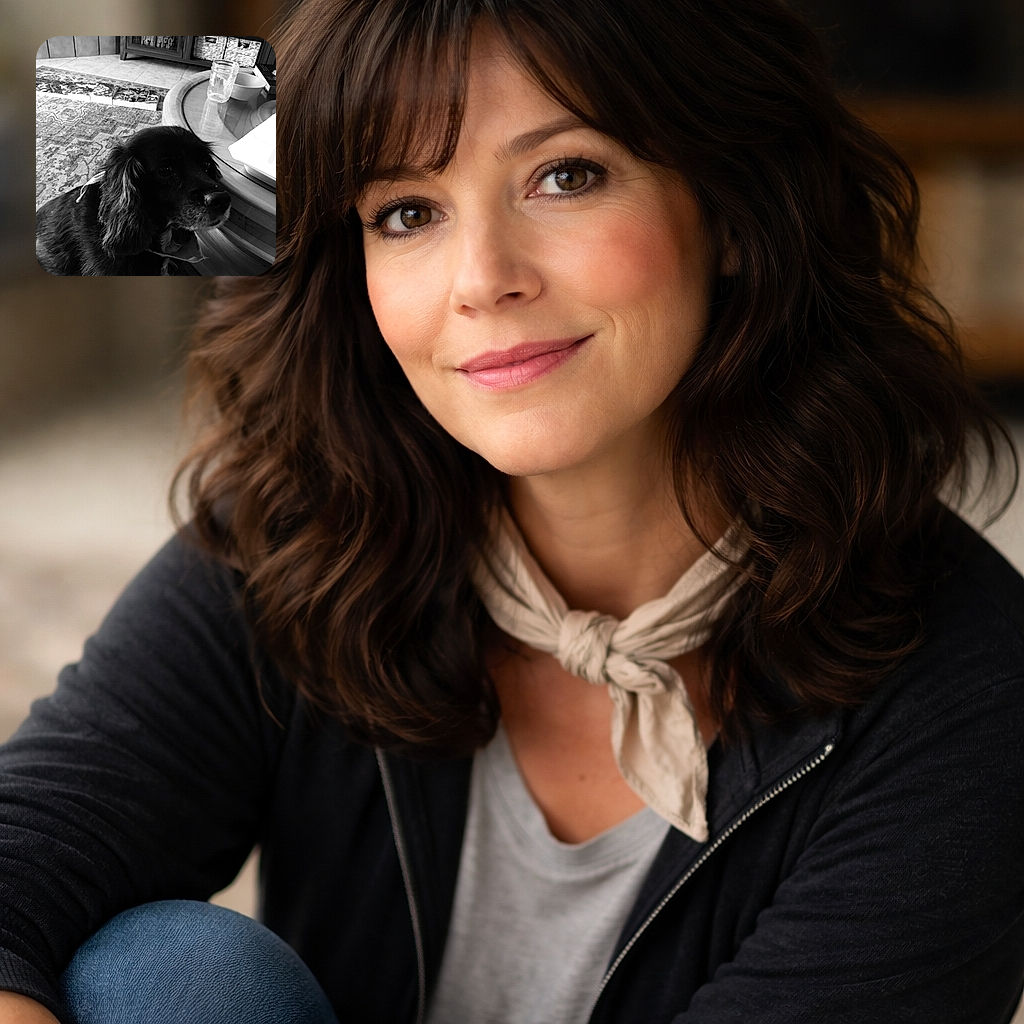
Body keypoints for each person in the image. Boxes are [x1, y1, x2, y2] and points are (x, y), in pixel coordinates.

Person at [2, 0, 1023, 1021]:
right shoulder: (302, 536)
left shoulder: (969, 682)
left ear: (733, 207)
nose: (483, 281)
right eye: (406, 211)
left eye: (566, 174)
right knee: (173, 973)